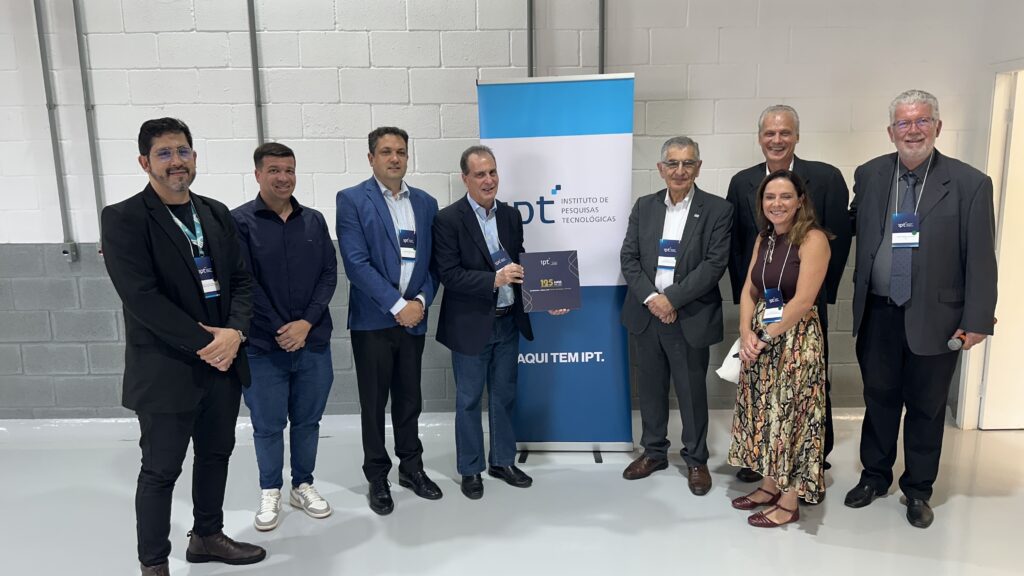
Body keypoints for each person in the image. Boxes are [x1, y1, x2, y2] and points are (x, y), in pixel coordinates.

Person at [101, 118, 265, 575]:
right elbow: (141, 297)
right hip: (167, 368)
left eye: (183, 151)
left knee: (216, 455)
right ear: (144, 162)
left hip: (224, 363)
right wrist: (207, 344)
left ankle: (207, 536)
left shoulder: (214, 213)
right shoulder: (124, 218)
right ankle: (153, 562)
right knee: (160, 471)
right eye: (165, 153)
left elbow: (241, 281)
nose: (176, 162)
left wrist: (233, 334)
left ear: (195, 157)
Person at [844, 89, 997, 528]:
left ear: (938, 127)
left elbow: (982, 258)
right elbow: (854, 226)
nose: (913, 130)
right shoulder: (871, 175)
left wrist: (978, 319)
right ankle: (874, 476)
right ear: (891, 131)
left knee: (927, 408)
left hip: (938, 317)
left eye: (922, 121)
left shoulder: (969, 183)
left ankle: (917, 490)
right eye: (904, 123)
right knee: (878, 399)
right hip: (878, 313)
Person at [725, 104, 851, 484]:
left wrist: (817, 293)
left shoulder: (826, 178)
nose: (776, 140)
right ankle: (762, 459)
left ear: (796, 136)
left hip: (803, 303)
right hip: (763, 304)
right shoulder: (741, 182)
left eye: (784, 133)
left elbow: (839, 241)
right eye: (769, 133)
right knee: (764, 389)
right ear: (759, 137)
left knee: (805, 390)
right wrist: (748, 324)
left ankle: (810, 458)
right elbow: (738, 248)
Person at [432, 145, 567, 500]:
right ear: (465, 179)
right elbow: (449, 274)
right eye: (480, 174)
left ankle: (503, 460)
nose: (488, 180)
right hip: (470, 325)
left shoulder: (510, 216)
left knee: (505, 397)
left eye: (492, 172)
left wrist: (548, 300)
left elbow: (521, 266)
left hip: (508, 322)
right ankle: (471, 469)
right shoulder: (448, 219)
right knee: (468, 400)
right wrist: (493, 279)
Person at [336, 126, 442, 515]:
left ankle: (411, 468)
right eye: (385, 152)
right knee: (374, 403)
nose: (394, 158)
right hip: (374, 321)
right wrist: (398, 306)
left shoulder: (426, 203)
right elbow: (356, 264)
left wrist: (419, 300)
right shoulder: (351, 200)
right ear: (371, 158)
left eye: (400, 151)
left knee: (410, 399)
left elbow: (434, 264)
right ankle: (377, 476)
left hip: (414, 317)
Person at [231, 142, 337, 531]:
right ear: (257, 174)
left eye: (289, 169)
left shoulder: (314, 221)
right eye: (274, 170)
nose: (283, 177)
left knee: (308, 421)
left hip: (312, 343)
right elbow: (244, 282)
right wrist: (281, 328)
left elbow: (329, 274)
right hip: (262, 346)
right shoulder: (239, 222)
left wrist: (306, 324)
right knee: (268, 424)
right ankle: (270, 488)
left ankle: (302, 484)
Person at [619, 136, 733, 496]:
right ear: (661, 168)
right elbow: (629, 258)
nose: (679, 170)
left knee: (691, 391)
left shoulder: (717, 209)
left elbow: (714, 265)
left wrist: (672, 300)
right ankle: (654, 453)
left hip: (689, 316)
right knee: (651, 389)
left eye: (687, 163)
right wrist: (654, 298)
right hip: (647, 314)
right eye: (673, 163)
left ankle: (696, 459)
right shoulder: (644, 206)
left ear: (698, 167)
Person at [727, 169, 831, 528]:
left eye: (785, 196)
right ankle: (769, 484)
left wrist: (765, 338)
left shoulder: (813, 239)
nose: (777, 204)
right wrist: (745, 332)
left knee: (790, 418)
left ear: (800, 200)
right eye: (770, 197)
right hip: (759, 339)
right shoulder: (764, 238)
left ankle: (789, 500)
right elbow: (748, 290)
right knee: (764, 415)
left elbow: (802, 302)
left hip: (795, 342)